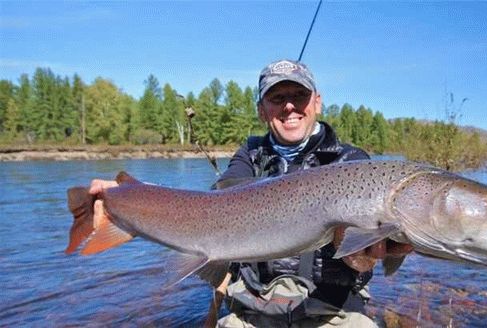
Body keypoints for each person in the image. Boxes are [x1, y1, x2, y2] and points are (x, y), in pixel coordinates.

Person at [89, 59, 412, 327]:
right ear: (261, 110)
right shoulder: (250, 154)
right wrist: (138, 196)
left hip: (331, 309)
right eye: (277, 98)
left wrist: (364, 258)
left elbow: (363, 259)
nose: (289, 106)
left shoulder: (351, 162)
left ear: (317, 102)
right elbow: (213, 207)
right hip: (254, 307)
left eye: (299, 95)